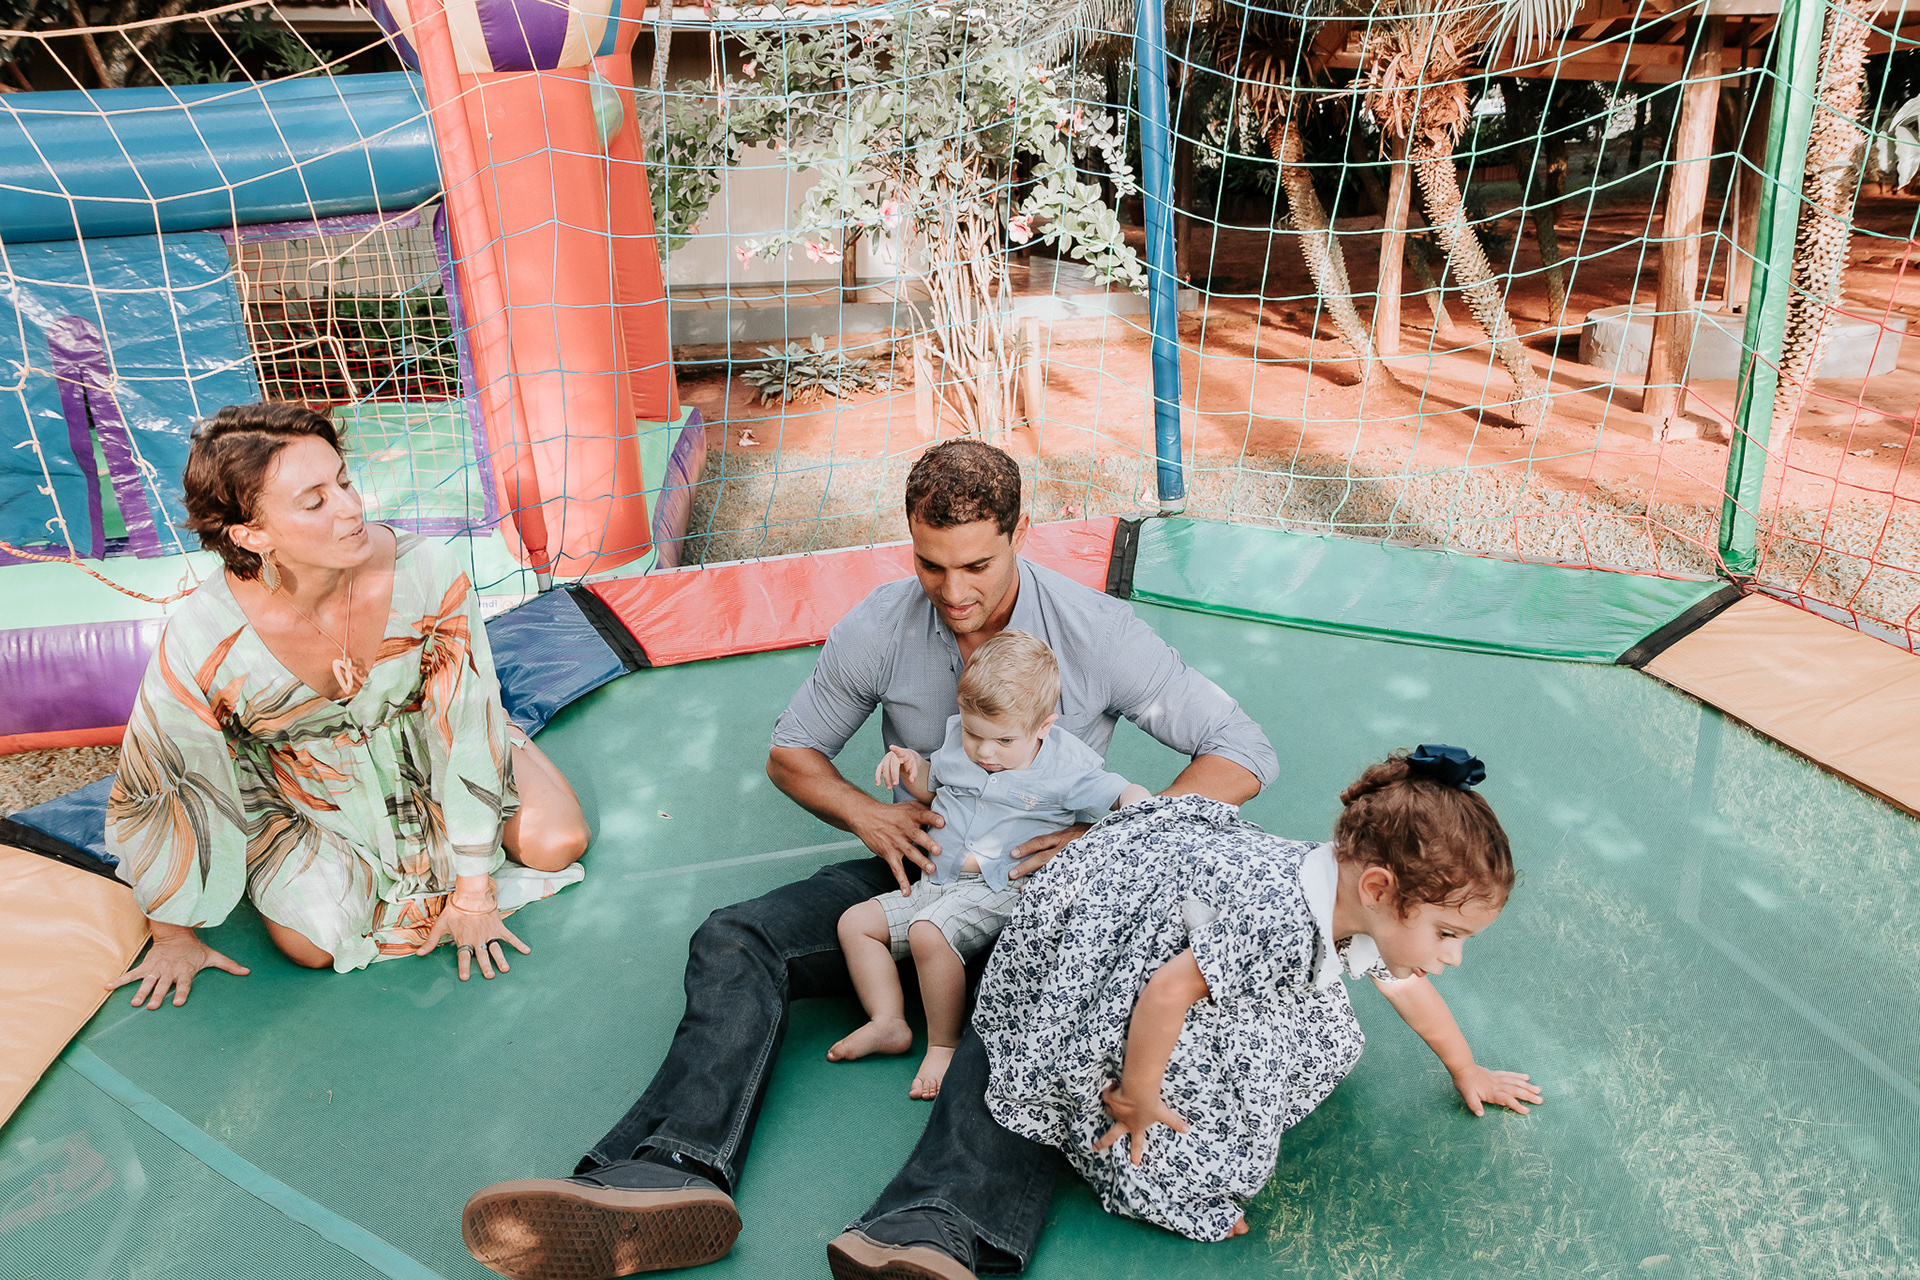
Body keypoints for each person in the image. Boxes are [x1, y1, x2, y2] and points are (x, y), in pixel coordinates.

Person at [459, 440, 1276, 1280]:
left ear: (1022, 532)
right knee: (738, 936)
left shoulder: (1096, 632)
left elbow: (1242, 753)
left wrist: (1102, 841)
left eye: (977, 566)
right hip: (928, 869)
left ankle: (939, 1226)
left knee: (1032, 1016)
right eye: (931, 564)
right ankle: (667, 1168)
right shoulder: (883, 624)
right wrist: (869, 814)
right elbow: (793, 752)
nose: (954, 593)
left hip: (1046, 898)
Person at [105, 402, 591, 1009]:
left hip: (430, 743)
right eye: (314, 502)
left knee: (557, 843)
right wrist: (173, 935)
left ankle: (513, 740)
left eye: (343, 481)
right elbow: (167, 773)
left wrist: (474, 891)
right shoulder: (204, 635)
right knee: (314, 944)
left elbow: (464, 715)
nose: (351, 507)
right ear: (252, 535)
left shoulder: (423, 568)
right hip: (307, 789)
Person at [963, 745, 1542, 1251]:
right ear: (1378, 889)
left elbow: (1406, 983)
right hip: (1134, 929)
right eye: (1447, 934)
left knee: (1324, 1042)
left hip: (1201, 917)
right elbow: (1166, 992)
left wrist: (1466, 1068)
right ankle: (1150, 1164)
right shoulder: (1281, 924)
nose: (1452, 956)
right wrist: (1138, 1097)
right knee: (1169, 1144)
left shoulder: (1354, 892)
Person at [830, 630, 1151, 1099]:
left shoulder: (1066, 766)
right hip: (937, 879)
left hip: (1000, 888)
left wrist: (1140, 804)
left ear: (1043, 726)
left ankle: (943, 1044)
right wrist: (911, 767)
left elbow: (1119, 793)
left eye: (1003, 740)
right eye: (974, 734)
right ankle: (888, 1021)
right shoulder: (960, 740)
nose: (984, 752)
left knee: (928, 932)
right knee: (855, 924)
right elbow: (933, 785)